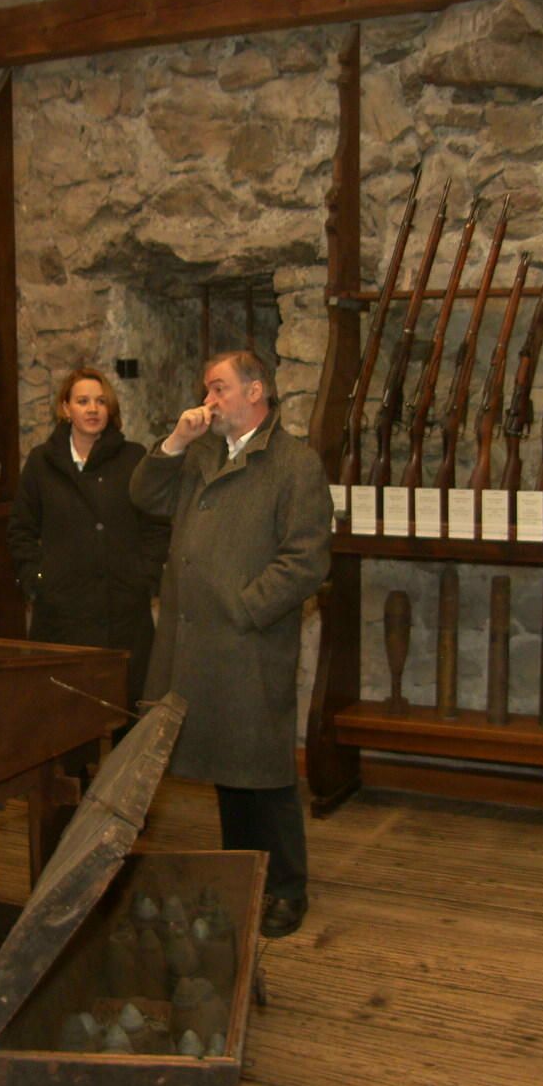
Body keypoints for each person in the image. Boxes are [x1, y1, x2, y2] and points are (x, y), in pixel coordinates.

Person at [130, 349, 333, 938]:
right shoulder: (200, 454)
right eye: (207, 389)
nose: (209, 400)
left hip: (249, 641)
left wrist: (246, 608)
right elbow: (145, 498)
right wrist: (174, 440)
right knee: (229, 770)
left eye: (218, 388)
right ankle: (243, 877)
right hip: (199, 641)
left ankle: (287, 889)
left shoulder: (295, 464)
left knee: (264, 771)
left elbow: (306, 560)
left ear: (255, 391)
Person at [8, 368, 169, 712]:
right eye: (83, 401)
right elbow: (21, 529)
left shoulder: (133, 458)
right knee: (65, 712)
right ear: (66, 408)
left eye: (101, 401)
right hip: (63, 612)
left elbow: (156, 525)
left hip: (123, 609)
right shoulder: (42, 462)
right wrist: (38, 580)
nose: (93, 409)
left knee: (125, 709)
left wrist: (145, 575)